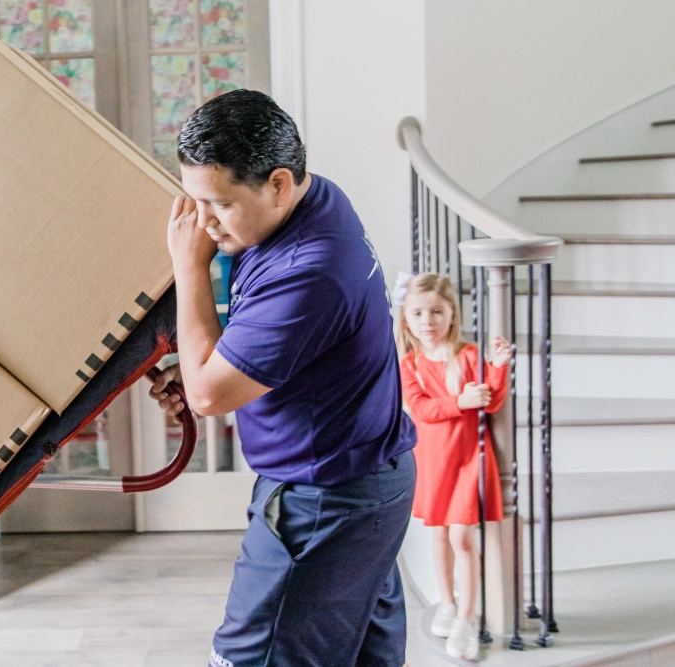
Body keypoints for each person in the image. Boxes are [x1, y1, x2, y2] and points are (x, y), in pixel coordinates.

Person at [150, 89, 418, 667]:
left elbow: (207, 395)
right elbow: (273, 344)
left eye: (218, 204)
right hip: (369, 483)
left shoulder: (311, 269)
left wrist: (188, 267)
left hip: (327, 499)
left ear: (277, 182)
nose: (201, 223)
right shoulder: (317, 198)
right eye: (194, 201)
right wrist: (213, 358)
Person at [393, 272, 511, 661]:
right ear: (406, 319)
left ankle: (467, 616)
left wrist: (500, 368)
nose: (428, 321)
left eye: (437, 312)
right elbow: (422, 409)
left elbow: (491, 403)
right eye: (419, 313)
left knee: (462, 537)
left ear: (452, 315)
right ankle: (446, 603)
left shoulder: (470, 356)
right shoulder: (409, 364)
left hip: (467, 461)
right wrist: (460, 401)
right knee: (439, 536)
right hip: (432, 461)